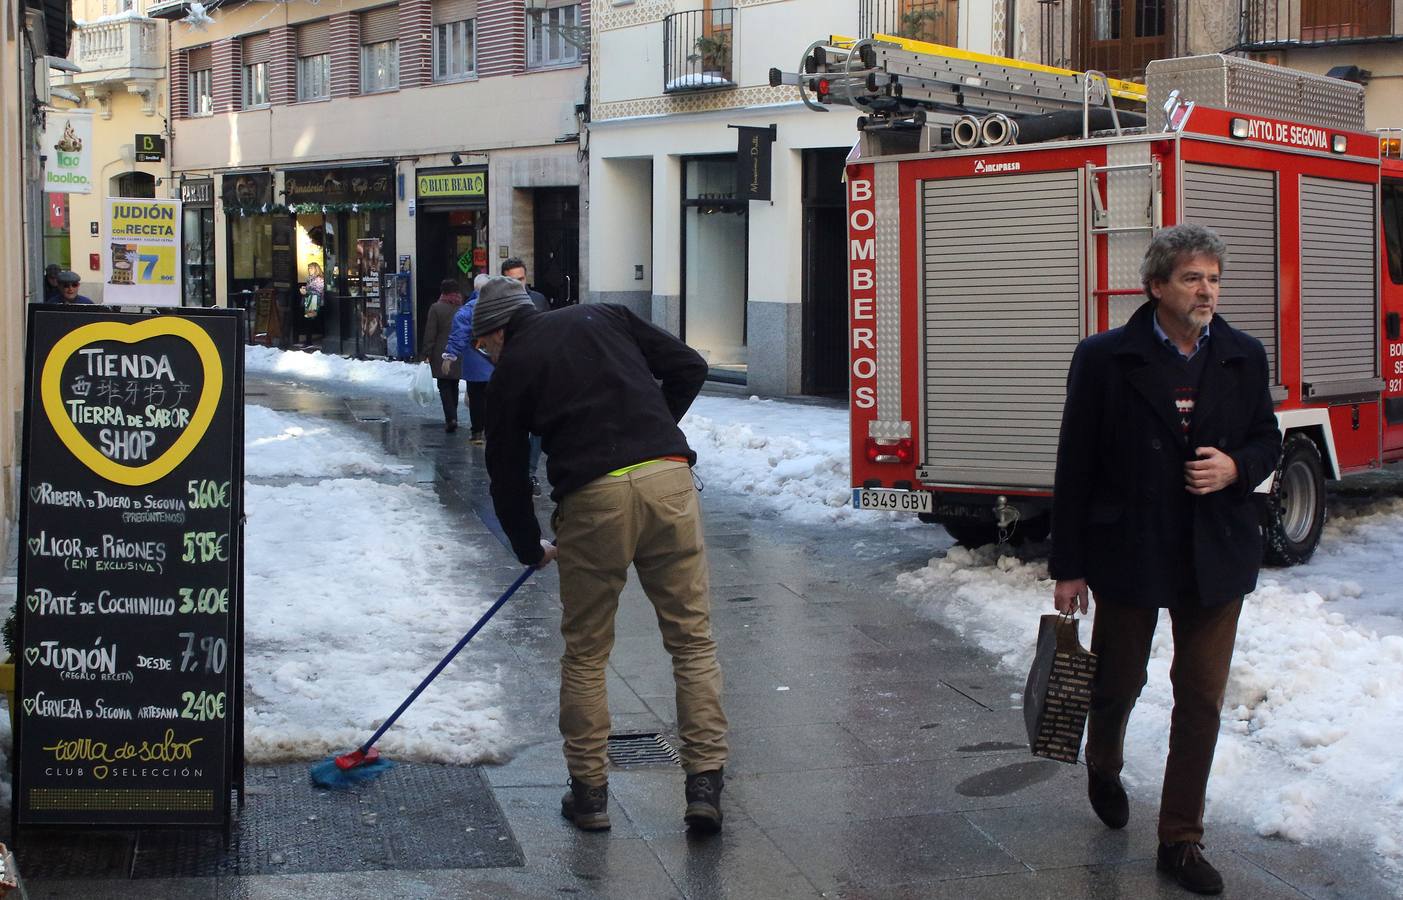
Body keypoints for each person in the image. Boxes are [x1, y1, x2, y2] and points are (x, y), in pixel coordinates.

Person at [1050, 224, 1282, 896]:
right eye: (1191, 277)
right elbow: (1075, 463)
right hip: (1130, 545)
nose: (1206, 289)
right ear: (1155, 286)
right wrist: (1069, 565)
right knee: (1117, 681)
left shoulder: (1242, 354)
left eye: (1212, 277)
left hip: (1215, 552)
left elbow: (1266, 439)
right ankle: (1103, 757)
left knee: (1201, 697)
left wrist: (1236, 466)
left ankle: (1180, 839)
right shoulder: (1103, 358)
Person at [472, 276, 728, 836]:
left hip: (594, 498)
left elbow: (507, 472)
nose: (485, 355)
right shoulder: (607, 316)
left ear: (498, 332)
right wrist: (654, 428)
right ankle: (705, 782)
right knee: (691, 640)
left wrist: (526, 546)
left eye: (483, 344)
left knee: (587, 652)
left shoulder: (513, 368)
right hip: (669, 482)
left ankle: (589, 794)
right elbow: (690, 366)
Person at [501, 257, 549, 493]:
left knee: (538, 426)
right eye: (513, 280)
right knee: (513, 425)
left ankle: (530, 471)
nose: (518, 284)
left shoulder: (538, 300)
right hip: (510, 373)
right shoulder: (498, 304)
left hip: (538, 371)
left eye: (521, 279)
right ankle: (514, 471)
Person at [442, 273, 494, 445]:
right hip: (495, 362)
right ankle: (491, 430)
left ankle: (477, 431)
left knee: (476, 397)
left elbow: (459, 335)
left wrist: (450, 357)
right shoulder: (499, 306)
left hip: (474, 363)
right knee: (494, 396)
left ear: (475, 288)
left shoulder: (468, 309)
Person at [420, 278, 465, 432]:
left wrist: (427, 353)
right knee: (454, 384)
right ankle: (454, 416)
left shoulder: (436, 308)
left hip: (441, 352)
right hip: (458, 351)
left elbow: (430, 333)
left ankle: (451, 418)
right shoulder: (462, 308)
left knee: (444, 386)